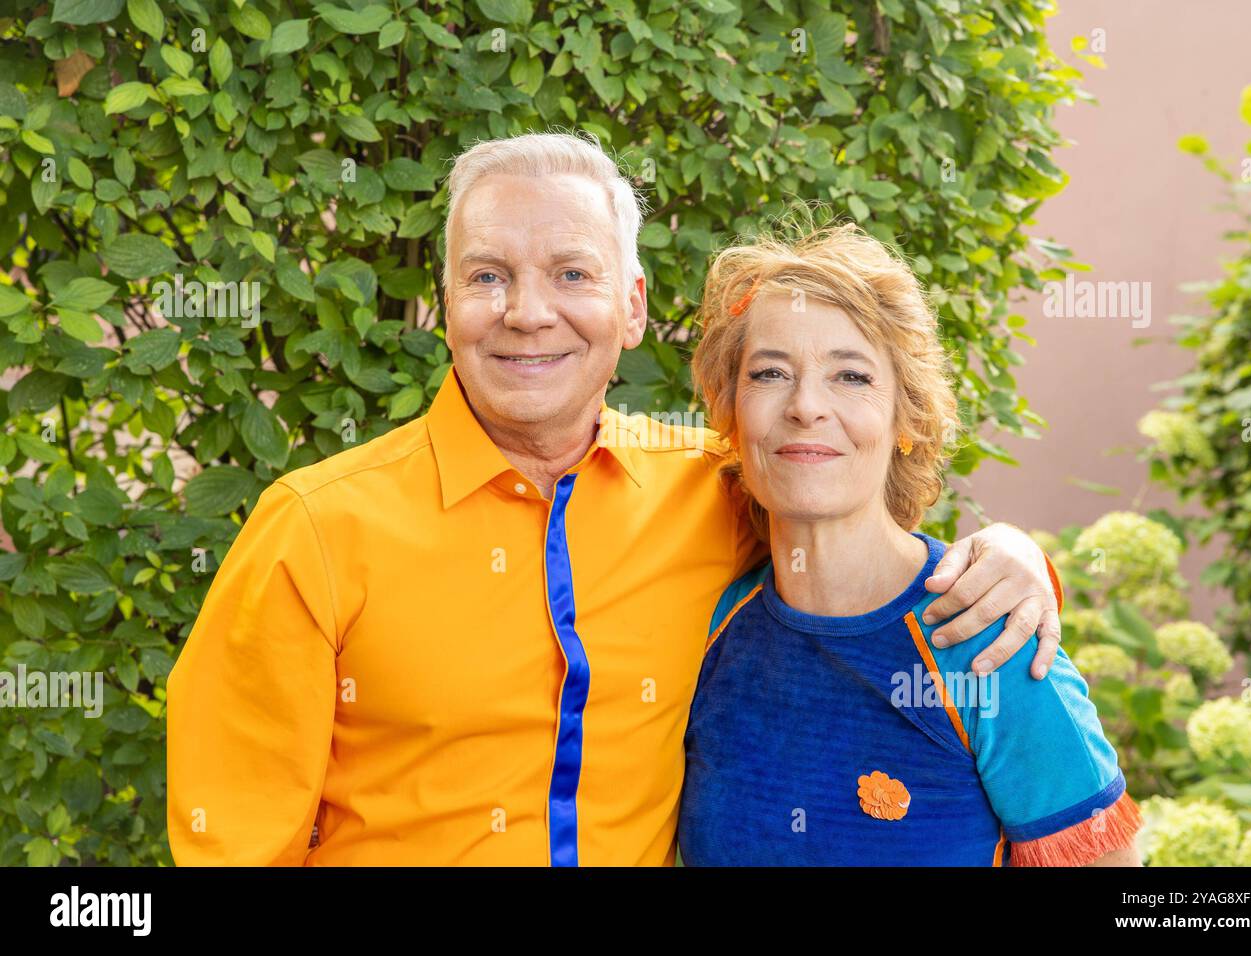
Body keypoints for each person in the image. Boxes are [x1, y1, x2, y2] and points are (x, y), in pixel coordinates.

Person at [166, 132, 1068, 866]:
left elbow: (839, 490)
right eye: (486, 276)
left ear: (632, 307)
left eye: (572, 273)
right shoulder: (316, 530)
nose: (526, 311)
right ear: (445, 302)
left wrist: (1011, 560)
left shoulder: (714, 484)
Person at [679, 222, 1141, 866]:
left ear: (907, 418)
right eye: (771, 372)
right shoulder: (710, 629)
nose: (807, 406)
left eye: (851, 377)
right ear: (730, 411)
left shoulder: (987, 636)